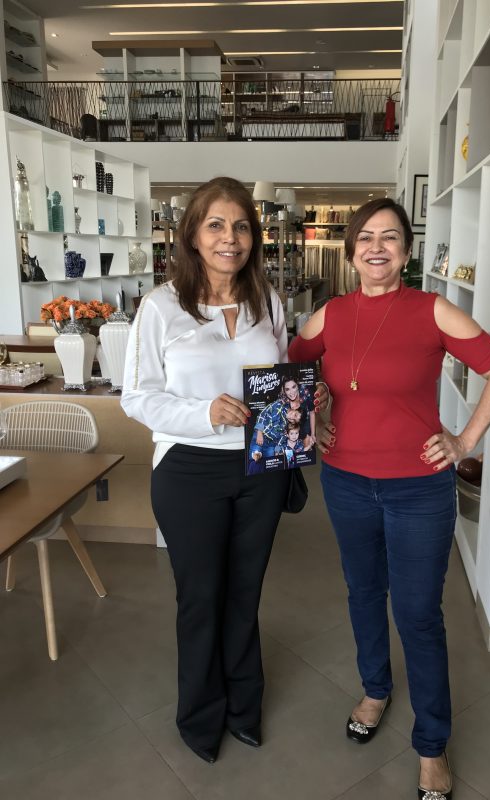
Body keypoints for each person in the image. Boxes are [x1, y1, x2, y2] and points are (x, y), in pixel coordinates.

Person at [288, 197, 490, 799]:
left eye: (390, 237)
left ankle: (432, 745)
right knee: (364, 593)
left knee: (418, 614)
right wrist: (316, 420)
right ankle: (375, 689)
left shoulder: (432, 310)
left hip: (418, 488)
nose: (376, 247)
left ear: (407, 251)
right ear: (351, 252)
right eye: (365, 237)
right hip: (345, 482)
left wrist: (465, 440)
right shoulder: (329, 315)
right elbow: (292, 373)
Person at [121, 176, 291, 765]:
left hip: (261, 466)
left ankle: (244, 707)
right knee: (200, 596)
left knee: (245, 592)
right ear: (192, 235)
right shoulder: (161, 307)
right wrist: (205, 413)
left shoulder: (268, 302)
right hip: (189, 468)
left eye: (241, 226)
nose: (230, 238)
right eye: (216, 225)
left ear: (254, 237)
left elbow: (279, 379)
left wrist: (304, 403)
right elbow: (136, 397)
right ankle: (200, 715)